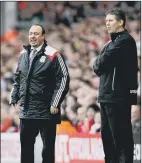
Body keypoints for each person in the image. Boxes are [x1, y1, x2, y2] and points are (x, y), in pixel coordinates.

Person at [10, 24, 70, 163]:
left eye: (36, 34)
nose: (32, 36)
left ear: (43, 36)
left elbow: (64, 79)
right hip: (27, 110)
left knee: (47, 149)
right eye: (31, 33)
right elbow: (18, 78)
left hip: (46, 110)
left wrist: (55, 102)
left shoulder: (53, 54)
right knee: (26, 148)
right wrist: (14, 96)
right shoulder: (23, 54)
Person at [93, 8, 138, 163]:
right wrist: (99, 60)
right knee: (108, 140)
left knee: (121, 139)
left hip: (118, 96)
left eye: (111, 20)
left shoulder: (125, 41)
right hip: (106, 96)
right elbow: (97, 67)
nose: (107, 24)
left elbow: (101, 63)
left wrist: (99, 59)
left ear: (121, 22)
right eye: (106, 21)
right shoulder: (111, 43)